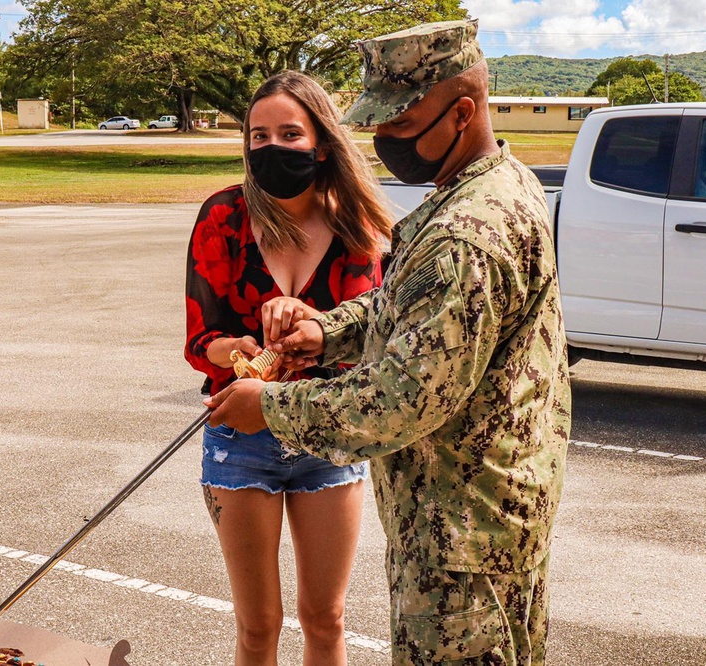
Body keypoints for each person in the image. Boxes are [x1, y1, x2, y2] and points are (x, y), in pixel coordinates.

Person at [204, 20, 572, 666]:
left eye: (401, 125)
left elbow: (399, 401)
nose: (383, 139)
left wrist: (269, 407)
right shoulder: (493, 187)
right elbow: (416, 307)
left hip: (463, 542)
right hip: (476, 520)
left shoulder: (467, 231)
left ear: (464, 112)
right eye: (376, 122)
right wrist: (329, 329)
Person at [183, 70, 394, 665]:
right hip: (241, 436)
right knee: (258, 627)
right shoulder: (223, 216)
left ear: (321, 142)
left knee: (325, 619)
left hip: (327, 437)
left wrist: (311, 321)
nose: (270, 147)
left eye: (289, 133)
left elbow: (374, 347)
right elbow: (200, 340)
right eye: (257, 135)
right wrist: (239, 351)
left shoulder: (362, 228)